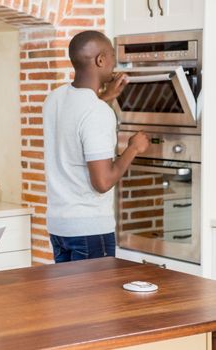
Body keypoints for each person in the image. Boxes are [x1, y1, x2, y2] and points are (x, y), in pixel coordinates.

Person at [43, 30, 150, 263]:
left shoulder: (55, 98)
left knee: (70, 299)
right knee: (93, 300)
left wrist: (107, 98)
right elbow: (102, 182)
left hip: (60, 227)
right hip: (89, 230)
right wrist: (133, 148)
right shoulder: (97, 112)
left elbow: (78, 122)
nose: (115, 62)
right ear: (101, 60)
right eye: (112, 56)